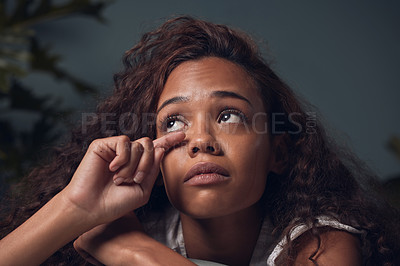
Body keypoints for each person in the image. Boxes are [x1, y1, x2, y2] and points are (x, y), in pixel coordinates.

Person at [0, 16, 399, 265]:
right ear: (152, 157)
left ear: (278, 151)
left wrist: (136, 254)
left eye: (228, 115)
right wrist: (75, 206)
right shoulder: (129, 227)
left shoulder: (322, 244)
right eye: (174, 122)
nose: (200, 141)